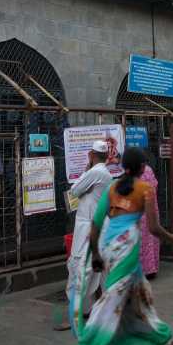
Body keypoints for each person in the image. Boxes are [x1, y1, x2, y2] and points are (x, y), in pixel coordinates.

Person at [75, 147, 173, 345]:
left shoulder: (112, 189)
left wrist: (96, 253)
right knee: (112, 299)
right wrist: (172, 238)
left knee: (140, 299)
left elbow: (96, 224)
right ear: (143, 167)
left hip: (110, 247)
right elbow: (153, 227)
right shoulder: (145, 189)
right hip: (128, 250)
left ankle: (159, 342)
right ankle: (89, 343)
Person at [61, 140, 113, 333]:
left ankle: (76, 317)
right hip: (95, 226)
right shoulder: (105, 173)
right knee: (96, 272)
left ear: (91, 155)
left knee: (80, 270)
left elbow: (74, 191)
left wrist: (85, 172)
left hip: (89, 228)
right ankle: (95, 311)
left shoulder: (96, 172)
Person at [139, 155, 160, 278]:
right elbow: (155, 185)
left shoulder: (137, 172)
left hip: (141, 210)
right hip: (152, 208)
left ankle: (144, 269)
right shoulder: (149, 170)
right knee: (151, 238)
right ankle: (152, 268)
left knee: (143, 240)